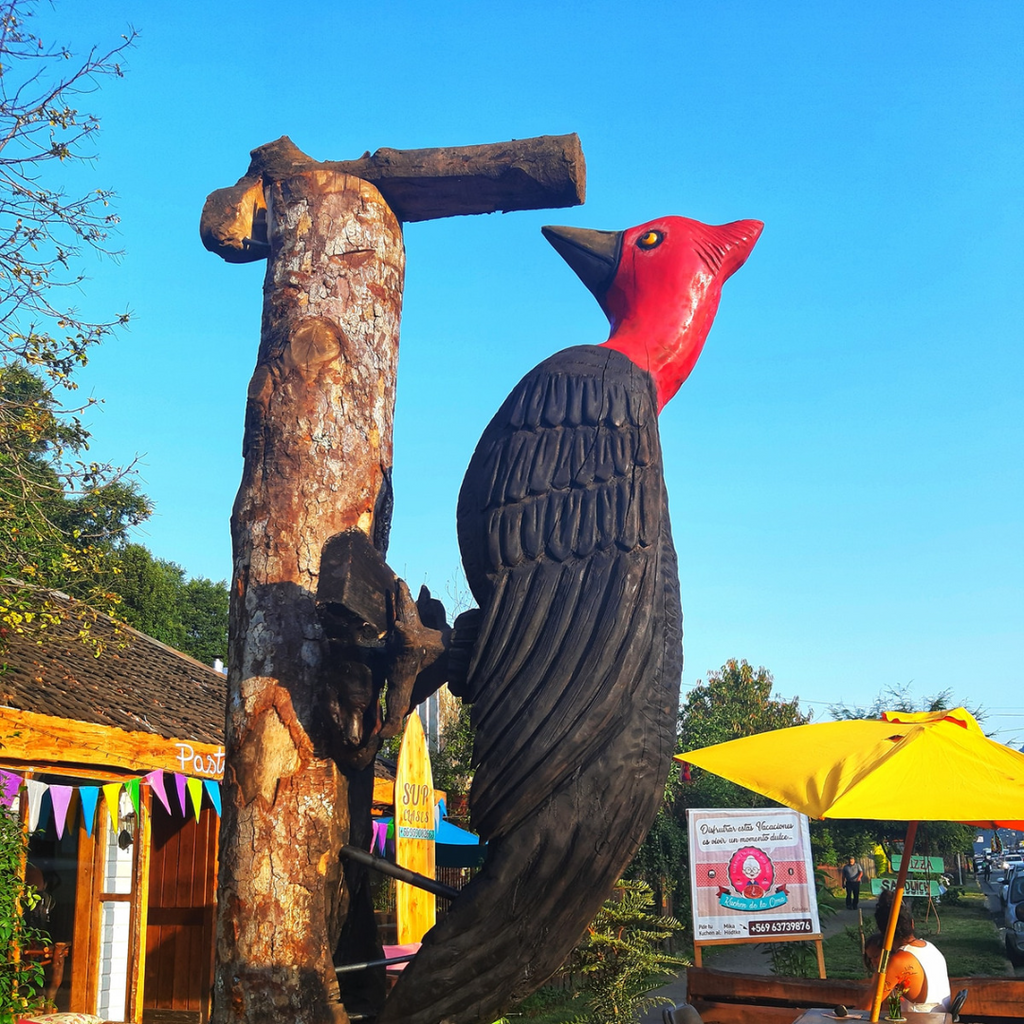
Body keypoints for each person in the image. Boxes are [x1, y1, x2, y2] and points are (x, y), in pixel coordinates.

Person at [867, 888, 951, 1013]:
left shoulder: (900, 960)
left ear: (883, 933)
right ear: (912, 924)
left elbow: (867, 1007)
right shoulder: (930, 947)